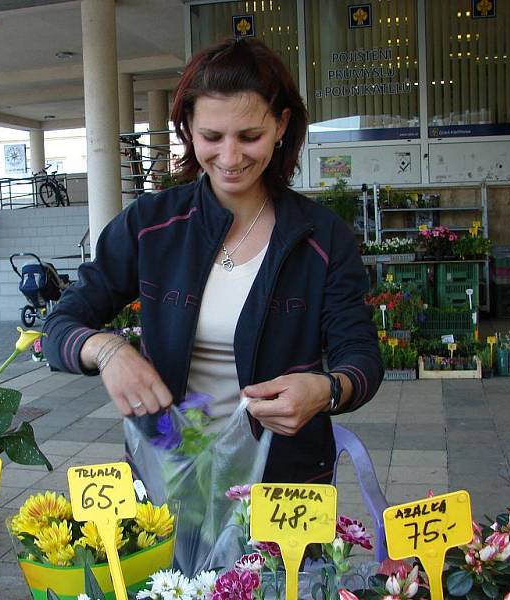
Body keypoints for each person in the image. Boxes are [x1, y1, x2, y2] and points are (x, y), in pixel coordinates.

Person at [44, 38, 383, 484]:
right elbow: (59, 326)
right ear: (187, 127)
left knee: (282, 560)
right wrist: (108, 351)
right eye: (211, 136)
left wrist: (327, 389)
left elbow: (360, 355)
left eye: (250, 136)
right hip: (171, 469)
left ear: (281, 126)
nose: (229, 157)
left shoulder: (321, 236)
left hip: (284, 480)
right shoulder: (150, 225)